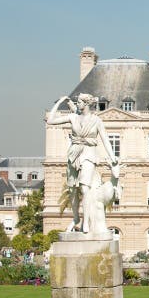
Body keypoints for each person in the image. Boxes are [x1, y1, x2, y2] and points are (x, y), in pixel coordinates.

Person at [46, 94, 118, 233]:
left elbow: (105, 140)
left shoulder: (96, 121)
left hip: (89, 154)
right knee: (73, 190)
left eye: (79, 102)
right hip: (74, 155)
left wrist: (113, 156)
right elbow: (50, 120)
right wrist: (60, 101)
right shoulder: (73, 117)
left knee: (85, 188)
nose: (77, 104)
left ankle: (86, 221)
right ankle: (75, 218)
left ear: (86, 103)